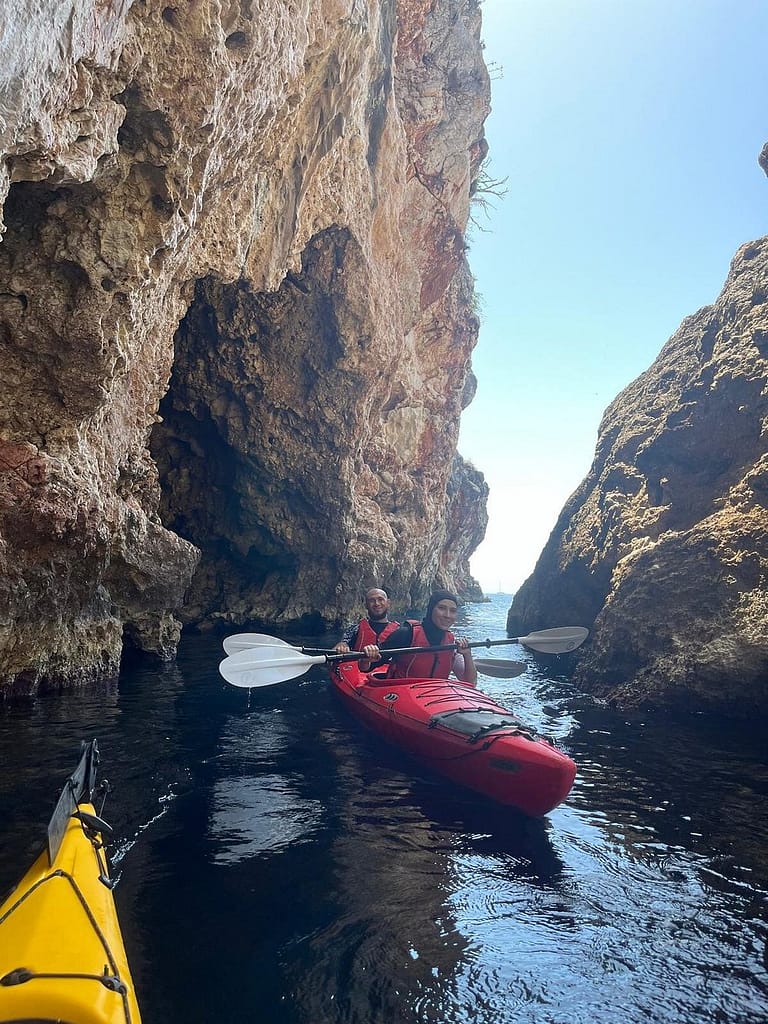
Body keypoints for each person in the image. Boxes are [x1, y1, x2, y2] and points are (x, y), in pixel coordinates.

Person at [361, 589, 477, 685]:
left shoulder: (450, 642)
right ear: (431, 610)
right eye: (442, 608)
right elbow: (366, 667)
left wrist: (467, 655)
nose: (447, 615)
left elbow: (470, 682)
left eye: (452, 611)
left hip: (435, 698)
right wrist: (367, 657)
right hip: (401, 696)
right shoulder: (406, 634)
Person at [334, 587, 400, 653]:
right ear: (366, 605)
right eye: (372, 600)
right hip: (360, 662)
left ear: (388, 603)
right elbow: (344, 642)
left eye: (380, 599)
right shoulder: (355, 629)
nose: (376, 603)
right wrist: (341, 646)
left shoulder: (399, 631)